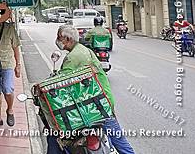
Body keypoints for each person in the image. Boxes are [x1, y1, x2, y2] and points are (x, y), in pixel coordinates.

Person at [47, 26, 135, 154]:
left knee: (54, 134)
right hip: (100, 100)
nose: (57, 40)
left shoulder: (74, 56)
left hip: (96, 104)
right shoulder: (83, 50)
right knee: (118, 140)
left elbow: (60, 82)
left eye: (59, 37)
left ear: (67, 38)